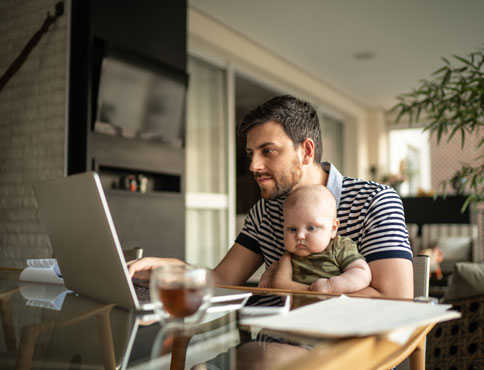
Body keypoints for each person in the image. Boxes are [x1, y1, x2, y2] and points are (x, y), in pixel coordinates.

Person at [129, 95, 413, 299]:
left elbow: (397, 299)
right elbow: (224, 280)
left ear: (306, 152)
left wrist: (294, 290)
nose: (254, 166)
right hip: (275, 345)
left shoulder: (374, 200)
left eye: (268, 151)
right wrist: (176, 268)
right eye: (251, 154)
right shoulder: (263, 213)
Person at [258, 184, 371, 294]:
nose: (299, 236)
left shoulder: (339, 246)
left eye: (311, 228)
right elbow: (275, 267)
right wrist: (267, 278)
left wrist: (331, 286)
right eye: (292, 229)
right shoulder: (291, 255)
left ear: (333, 228)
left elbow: (361, 272)